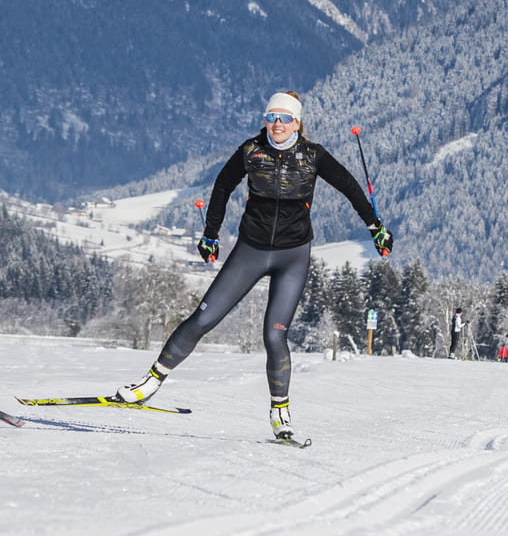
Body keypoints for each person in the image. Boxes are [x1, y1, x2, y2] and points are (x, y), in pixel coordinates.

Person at [113, 90, 392, 441]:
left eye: (285, 118)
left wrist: (375, 228)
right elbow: (222, 186)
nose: (277, 123)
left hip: (292, 256)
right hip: (251, 250)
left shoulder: (313, 156)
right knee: (203, 317)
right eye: (271, 117)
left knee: (274, 334)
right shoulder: (251, 151)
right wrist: (210, 234)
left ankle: (280, 412)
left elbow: (351, 188)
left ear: (297, 122)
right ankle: (149, 384)